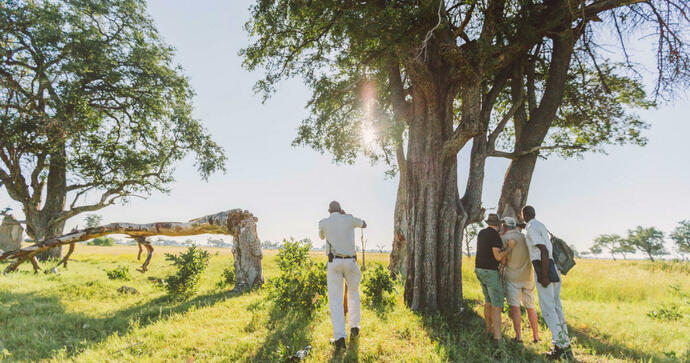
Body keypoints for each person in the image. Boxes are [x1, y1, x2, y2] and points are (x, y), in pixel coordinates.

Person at [522, 205, 573, 360]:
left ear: (524, 215)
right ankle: (565, 345)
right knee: (557, 308)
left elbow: (542, 250)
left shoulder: (530, 227)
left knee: (548, 310)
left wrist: (544, 276)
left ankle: (562, 348)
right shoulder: (540, 225)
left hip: (544, 267)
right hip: (553, 267)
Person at [319, 201, 367, 351]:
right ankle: (354, 326)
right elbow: (364, 224)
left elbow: (321, 236)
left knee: (335, 300)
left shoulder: (324, 222)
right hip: (351, 261)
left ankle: (340, 338)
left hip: (334, 263)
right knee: (353, 293)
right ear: (340, 209)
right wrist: (345, 216)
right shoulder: (349, 218)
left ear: (329, 211)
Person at [500, 217, 540, 344]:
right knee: (531, 307)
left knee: (515, 308)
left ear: (504, 226)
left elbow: (503, 260)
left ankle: (519, 337)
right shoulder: (524, 237)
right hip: (528, 277)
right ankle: (536, 337)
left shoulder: (504, 239)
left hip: (513, 278)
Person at [475, 213, 513, 342]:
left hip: (479, 269)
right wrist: (509, 248)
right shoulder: (495, 236)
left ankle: (488, 330)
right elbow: (498, 257)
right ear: (498, 225)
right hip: (490, 272)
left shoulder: (482, 233)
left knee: (488, 301)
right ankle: (497, 337)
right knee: (497, 305)